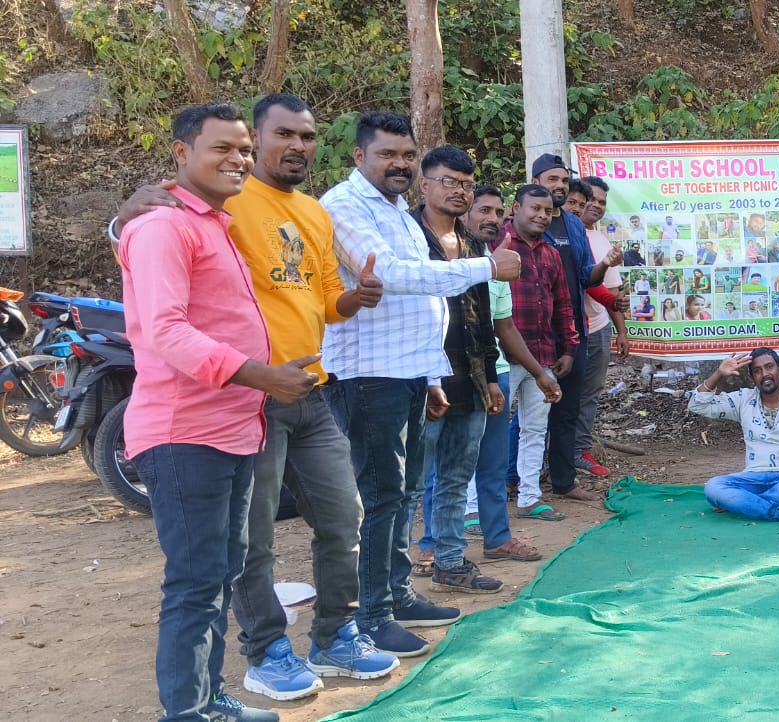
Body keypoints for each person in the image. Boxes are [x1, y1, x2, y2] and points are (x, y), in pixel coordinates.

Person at [111, 95, 397, 704]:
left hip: (306, 391)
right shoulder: (215, 204)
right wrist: (123, 217)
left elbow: (324, 298)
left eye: (307, 136)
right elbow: (151, 256)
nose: (296, 146)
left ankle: (333, 635)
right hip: (238, 397)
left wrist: (355, 298)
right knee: (241, 547)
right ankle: (264, 651)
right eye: (281, 135)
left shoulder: (307, 213)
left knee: (341, 517)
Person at [119, 102, 318, 722]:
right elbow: (166, 331)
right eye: (222, 149)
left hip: (234, 429)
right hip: (185, 432)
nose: (238, 159)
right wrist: (263, 376)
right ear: (182, 153)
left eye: (243, 150)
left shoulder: (215, 224)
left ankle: (208, 699)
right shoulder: (163, 226)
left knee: (221, 572)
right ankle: (188, 712)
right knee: (196, 581)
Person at [320, 112, 520, 657]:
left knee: (406, 492)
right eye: (387, 154)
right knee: (382, 497)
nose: (400, 164)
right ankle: (372, 615)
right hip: (368, 374)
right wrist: (486, 268)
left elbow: (426, 302)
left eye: (407, 154)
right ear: (359, 156)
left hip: (408, 372)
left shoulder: (396, 212)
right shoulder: (344, 206)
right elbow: (392, 276)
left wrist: (431, 375)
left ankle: (398, 595)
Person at [407, 147, 507, 595]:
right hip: (419, 377)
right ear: (425, 184)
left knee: (455, 477)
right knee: (409, 484)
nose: (459, 191)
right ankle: (393, 581)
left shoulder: (473, 246)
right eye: (449, 181)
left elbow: (481, 316)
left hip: (469, 377)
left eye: (466, 183)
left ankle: (449, 562)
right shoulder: (406, 237)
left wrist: (490, 377)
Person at [515, 153, 616, 511]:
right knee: (521, 414)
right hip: (528, 337)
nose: (559, 186)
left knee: (567, 408)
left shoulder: (573, 224)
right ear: (536, 182)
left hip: (573, 333)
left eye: (563, 180)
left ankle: (563, 481)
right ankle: (512, 480)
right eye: (552, 179)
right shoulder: (519, 226)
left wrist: (604, 266)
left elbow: (585, 276)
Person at [458, 184, 549, 564]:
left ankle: (497, 538)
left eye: (498, 212)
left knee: (493, 463)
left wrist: (539, 373)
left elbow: (505, 326)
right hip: (453, 374)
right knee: (452, 461)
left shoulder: (498, 263)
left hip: (496, 373)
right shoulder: (444, 260)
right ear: (464, 213)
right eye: (484, 210)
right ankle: (441, 546)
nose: (492, 219)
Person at [500, 184, 583, 521]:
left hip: (543, 355)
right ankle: (477, 506)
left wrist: (570, 348)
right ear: (516, 208)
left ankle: (530, 498)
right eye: (534, 208)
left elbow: (563, 305)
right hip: (501, 357)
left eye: (547, 211)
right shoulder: (497, 246)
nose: (542, 215)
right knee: (488, 432)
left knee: (535, 430)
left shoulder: (550, 253)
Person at [688, 350, 779, 524]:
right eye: (757, 371)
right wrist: (718, 374)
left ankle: (739, 502)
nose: (765, 374)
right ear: (753, 377)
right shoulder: (743, 400)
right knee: (713, 487)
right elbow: (697, 405)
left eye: (769, 367)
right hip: (752, 478)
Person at [574, 175, 629, 479]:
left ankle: (580, 451)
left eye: (601, 202)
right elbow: (587, 283)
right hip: (569, 329)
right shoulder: (567, 234)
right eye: (590, 200)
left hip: (598, 327)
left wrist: (621, 332)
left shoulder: (601, 239)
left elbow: (612, 291)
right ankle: (554, 454)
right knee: (562, 394)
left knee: (590, 394)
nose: (595, 205)